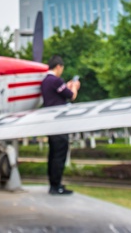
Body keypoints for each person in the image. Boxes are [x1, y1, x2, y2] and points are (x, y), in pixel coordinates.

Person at [40, 55, 80, 195]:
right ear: (58, 67)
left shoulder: (45, 81)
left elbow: (59, 93)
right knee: (59, 154)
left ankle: (53, 183)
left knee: (52, 154)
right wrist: (74, 87)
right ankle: (56, 186)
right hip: (59, 123)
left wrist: (66, 86)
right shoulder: (56, 80)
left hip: (49, 123)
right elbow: (71, 95)